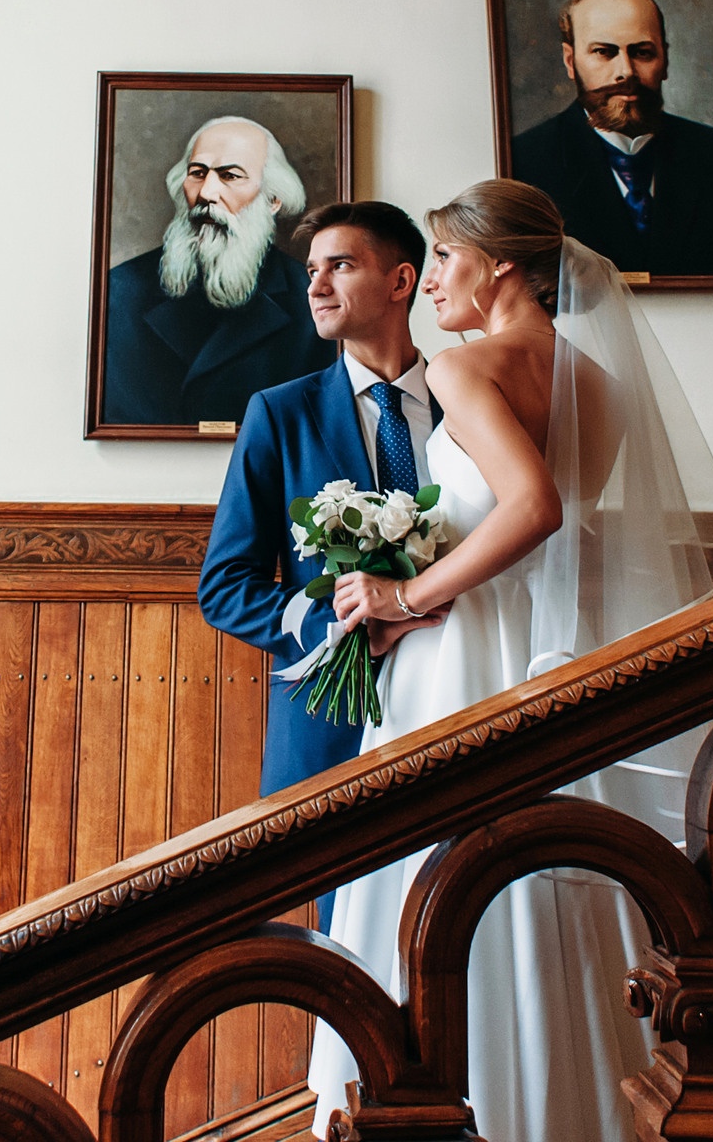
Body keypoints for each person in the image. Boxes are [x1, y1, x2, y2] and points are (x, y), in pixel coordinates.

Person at [305, 180, 713, 1142]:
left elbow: (531, 507)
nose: (433, 287)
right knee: (544, 865)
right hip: (553, 656)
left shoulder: (465, 368)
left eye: (445, 262)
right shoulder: (602, 381)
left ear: (498, 265)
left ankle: (437, 1105)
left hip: (466, 656)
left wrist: (403, 593)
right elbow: (570, 535)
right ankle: (577, 1105)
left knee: (445, 873)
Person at [199, 202, 434, 921]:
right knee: (351, 939)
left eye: (341, 265)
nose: (316, 285)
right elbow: (225, 587)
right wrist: (335, 621)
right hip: (334, 724)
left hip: (461, 696)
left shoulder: (473, 404)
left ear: (401, 281)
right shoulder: (279, 412)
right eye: (311, 270)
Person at [102, 116, 335, 426]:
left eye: (230, 176)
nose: (207, 193)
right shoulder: (121, 289)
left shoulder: (311, 300)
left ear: (273, 200)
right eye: (197, 173)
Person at [509, 0, 713, 276]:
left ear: (665, 60)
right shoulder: (524, 162)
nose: (627, 71)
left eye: (643, 53)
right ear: (570, 62)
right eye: (604, 52)